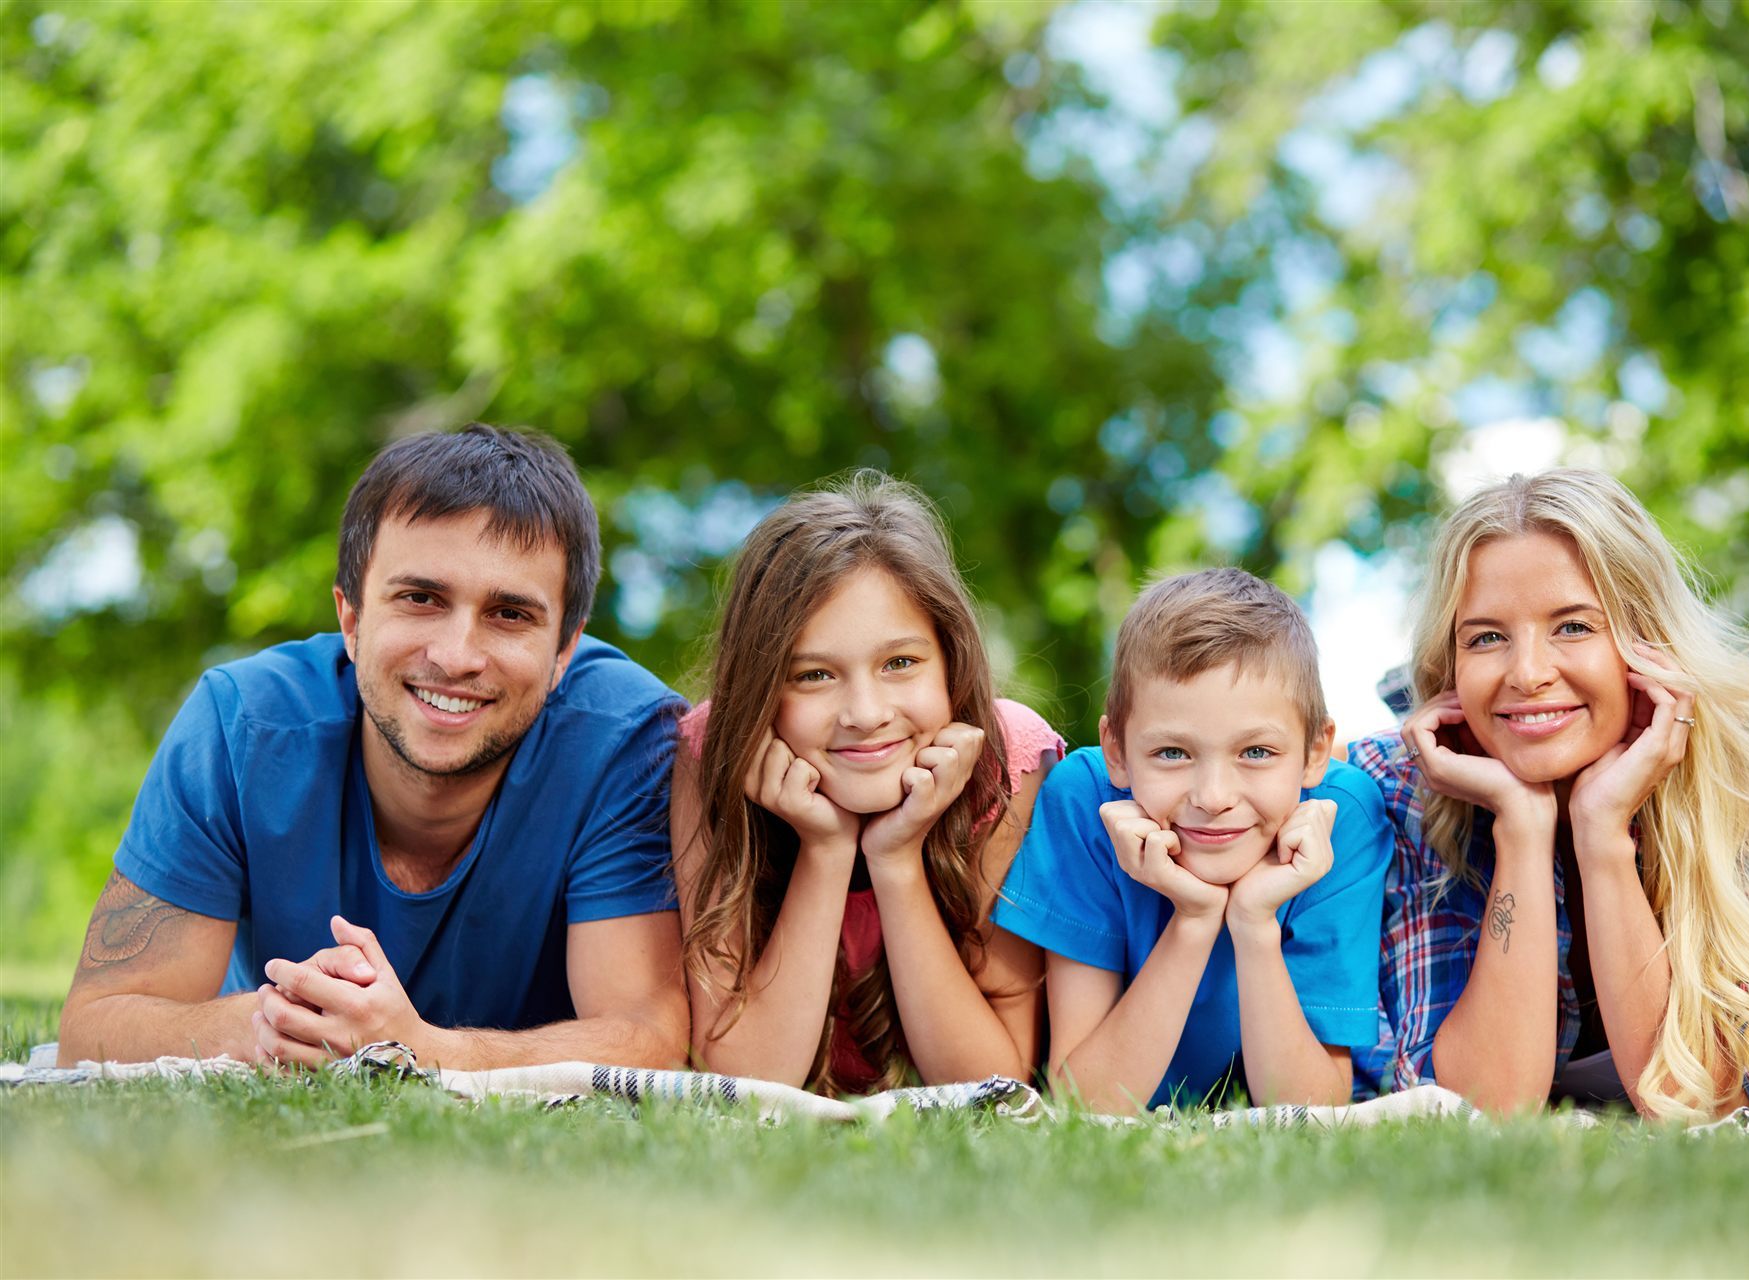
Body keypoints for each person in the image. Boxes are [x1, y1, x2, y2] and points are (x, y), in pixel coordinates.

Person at [57, 424, 690, 1070]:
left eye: (509, 615)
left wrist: (418, 1049)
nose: (455, 656)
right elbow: (95, 1026)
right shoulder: (241, 726)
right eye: (420, 598)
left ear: (565, 652)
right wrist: (287, 1023)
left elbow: (652, 1039)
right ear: (351, 619)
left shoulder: (626, 741)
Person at [1351, 468, 1749, 1121]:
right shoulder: (1402, 782)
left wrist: (1602, 831)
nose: (1528, 674)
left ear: (1647, 641)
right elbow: (1484, 1107)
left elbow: (1702, 1104)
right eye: (1486, 637)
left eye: (1574, 627)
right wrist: (1521, 829)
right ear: (1452, 661)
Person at [671, 471, 1062, 1093]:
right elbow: (746, 1082)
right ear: (760, 690)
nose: (865, 712)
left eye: (900, 663)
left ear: (950, 663)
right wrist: (825, 851)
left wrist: (897, 856)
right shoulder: (712, 754)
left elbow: (990, 1084)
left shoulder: (1007, 760)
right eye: (813, 675)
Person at [994, 569, 1393, 1113]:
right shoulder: (1087, 803)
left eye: (1255, 752)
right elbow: (1082, 1106)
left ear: (1316, 751)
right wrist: (1195, 919)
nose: (1213, 796)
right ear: (1116, 750)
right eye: (1172, 753)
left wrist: (1253, 924)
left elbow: (1313, 1110)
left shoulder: (1340, 819)